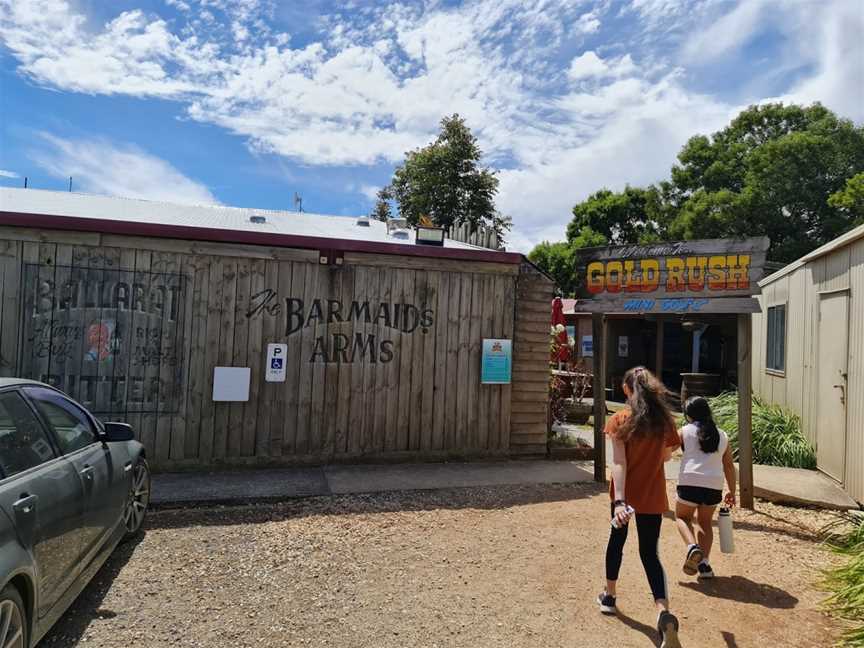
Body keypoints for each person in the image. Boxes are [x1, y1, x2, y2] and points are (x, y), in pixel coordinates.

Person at [597, 366, 682, 648]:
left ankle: (609, 596)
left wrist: (620, 500)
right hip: (653, 496)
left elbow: (619, 463)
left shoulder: (620, 420)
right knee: (650, 554)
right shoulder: (664, 424)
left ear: (625, 390)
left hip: (624, 497)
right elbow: (668, 456)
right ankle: (662, 611)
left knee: (616, 542)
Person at [674, 396, 736, 579]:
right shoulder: (722, 435)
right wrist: (732, 491)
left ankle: (692, 547)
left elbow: (666, 450)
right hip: (714, 486)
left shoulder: (684, 431)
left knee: (682, 517)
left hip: (689, 482)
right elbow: (729, 466)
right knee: (705, 523)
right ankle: (704, 565)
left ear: (689, 415)